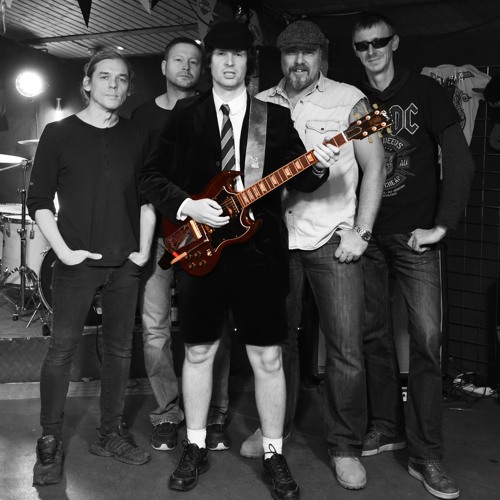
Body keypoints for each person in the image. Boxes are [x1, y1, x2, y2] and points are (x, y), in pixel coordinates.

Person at [140, 20, 337, 499]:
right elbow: (151, 177)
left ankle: (274, 452)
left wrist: (321, 164)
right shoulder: (184, 115)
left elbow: (303, 178)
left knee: (267, 356)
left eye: (240, 54)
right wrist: (188, 205)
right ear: (209, 62)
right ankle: (195, 444)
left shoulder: (275, 117)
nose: (230, 62)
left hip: (259, 255)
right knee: (199, 350)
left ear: (249, 62)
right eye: (222, 54)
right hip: (201, 251)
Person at [241, 20, 386, 492]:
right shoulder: (260, 103)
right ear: (280, 57)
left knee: (345, 349)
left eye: (307, 52)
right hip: (274, 241)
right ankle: (274, 431)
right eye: (290, 53)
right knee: (275, 344)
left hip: (331, 239)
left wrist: (362, 232)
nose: (298, 61)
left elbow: (375, 167)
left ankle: (344, 446)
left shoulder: (349, 100)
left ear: (322, 56)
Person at [351, 12, 474, 500]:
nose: (372, 51)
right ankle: (386, 426)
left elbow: (458, 158)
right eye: (362, 45)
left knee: (427, 340)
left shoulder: (425, 91)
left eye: (379, 42)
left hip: (414, 237)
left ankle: (426, 455)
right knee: (372, 336)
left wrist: (442, 225)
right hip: (367, 237)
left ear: (395, 42)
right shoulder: (353, 100)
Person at [28, 49, 155, 487]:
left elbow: (147, 197)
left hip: (126, 263)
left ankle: (110, 434)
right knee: (61, 350)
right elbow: (39, 200)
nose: (113, 85)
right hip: (77, 262)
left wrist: (143, 250)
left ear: (129, 87)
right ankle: (49, 440)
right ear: (87, 83)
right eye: (104, 77)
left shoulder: (137, 134)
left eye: (121, 79)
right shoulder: (58, 133)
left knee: (119, 351)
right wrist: (64, 252)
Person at [131, 37, 232, 453]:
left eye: (194, 61)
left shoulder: (214, 109)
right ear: (163, 66)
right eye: (178, 60)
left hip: (205, 237)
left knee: (211, 325)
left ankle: (214, 412)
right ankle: (168, 412)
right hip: (157, 236)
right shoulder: (142, 116)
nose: (187, 67)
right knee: (155, 329)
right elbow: (140, 179)